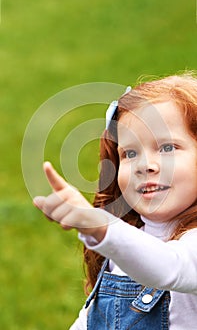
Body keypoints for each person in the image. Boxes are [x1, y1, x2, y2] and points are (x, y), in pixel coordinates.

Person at [33, 73, 197, 330]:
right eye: (130, 153)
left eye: (167, 148)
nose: (145, 166)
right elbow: (90, 320)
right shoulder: (123, 246)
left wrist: (98, 226)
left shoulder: (188, 248)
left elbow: (168, 267)